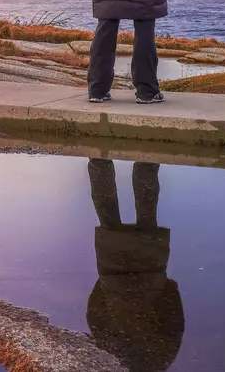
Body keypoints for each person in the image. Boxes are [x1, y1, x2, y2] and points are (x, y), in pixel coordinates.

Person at [85, 159, 185, 372]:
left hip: (150, 271)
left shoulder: (161, 360)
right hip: (113, 276)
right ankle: (99, 161)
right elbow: (96, 317)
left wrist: (169, 287)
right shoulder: (117, 361)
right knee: (108, 214)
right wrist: (102, 287)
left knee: (147, 213)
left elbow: (173, 320)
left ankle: (146, 161)